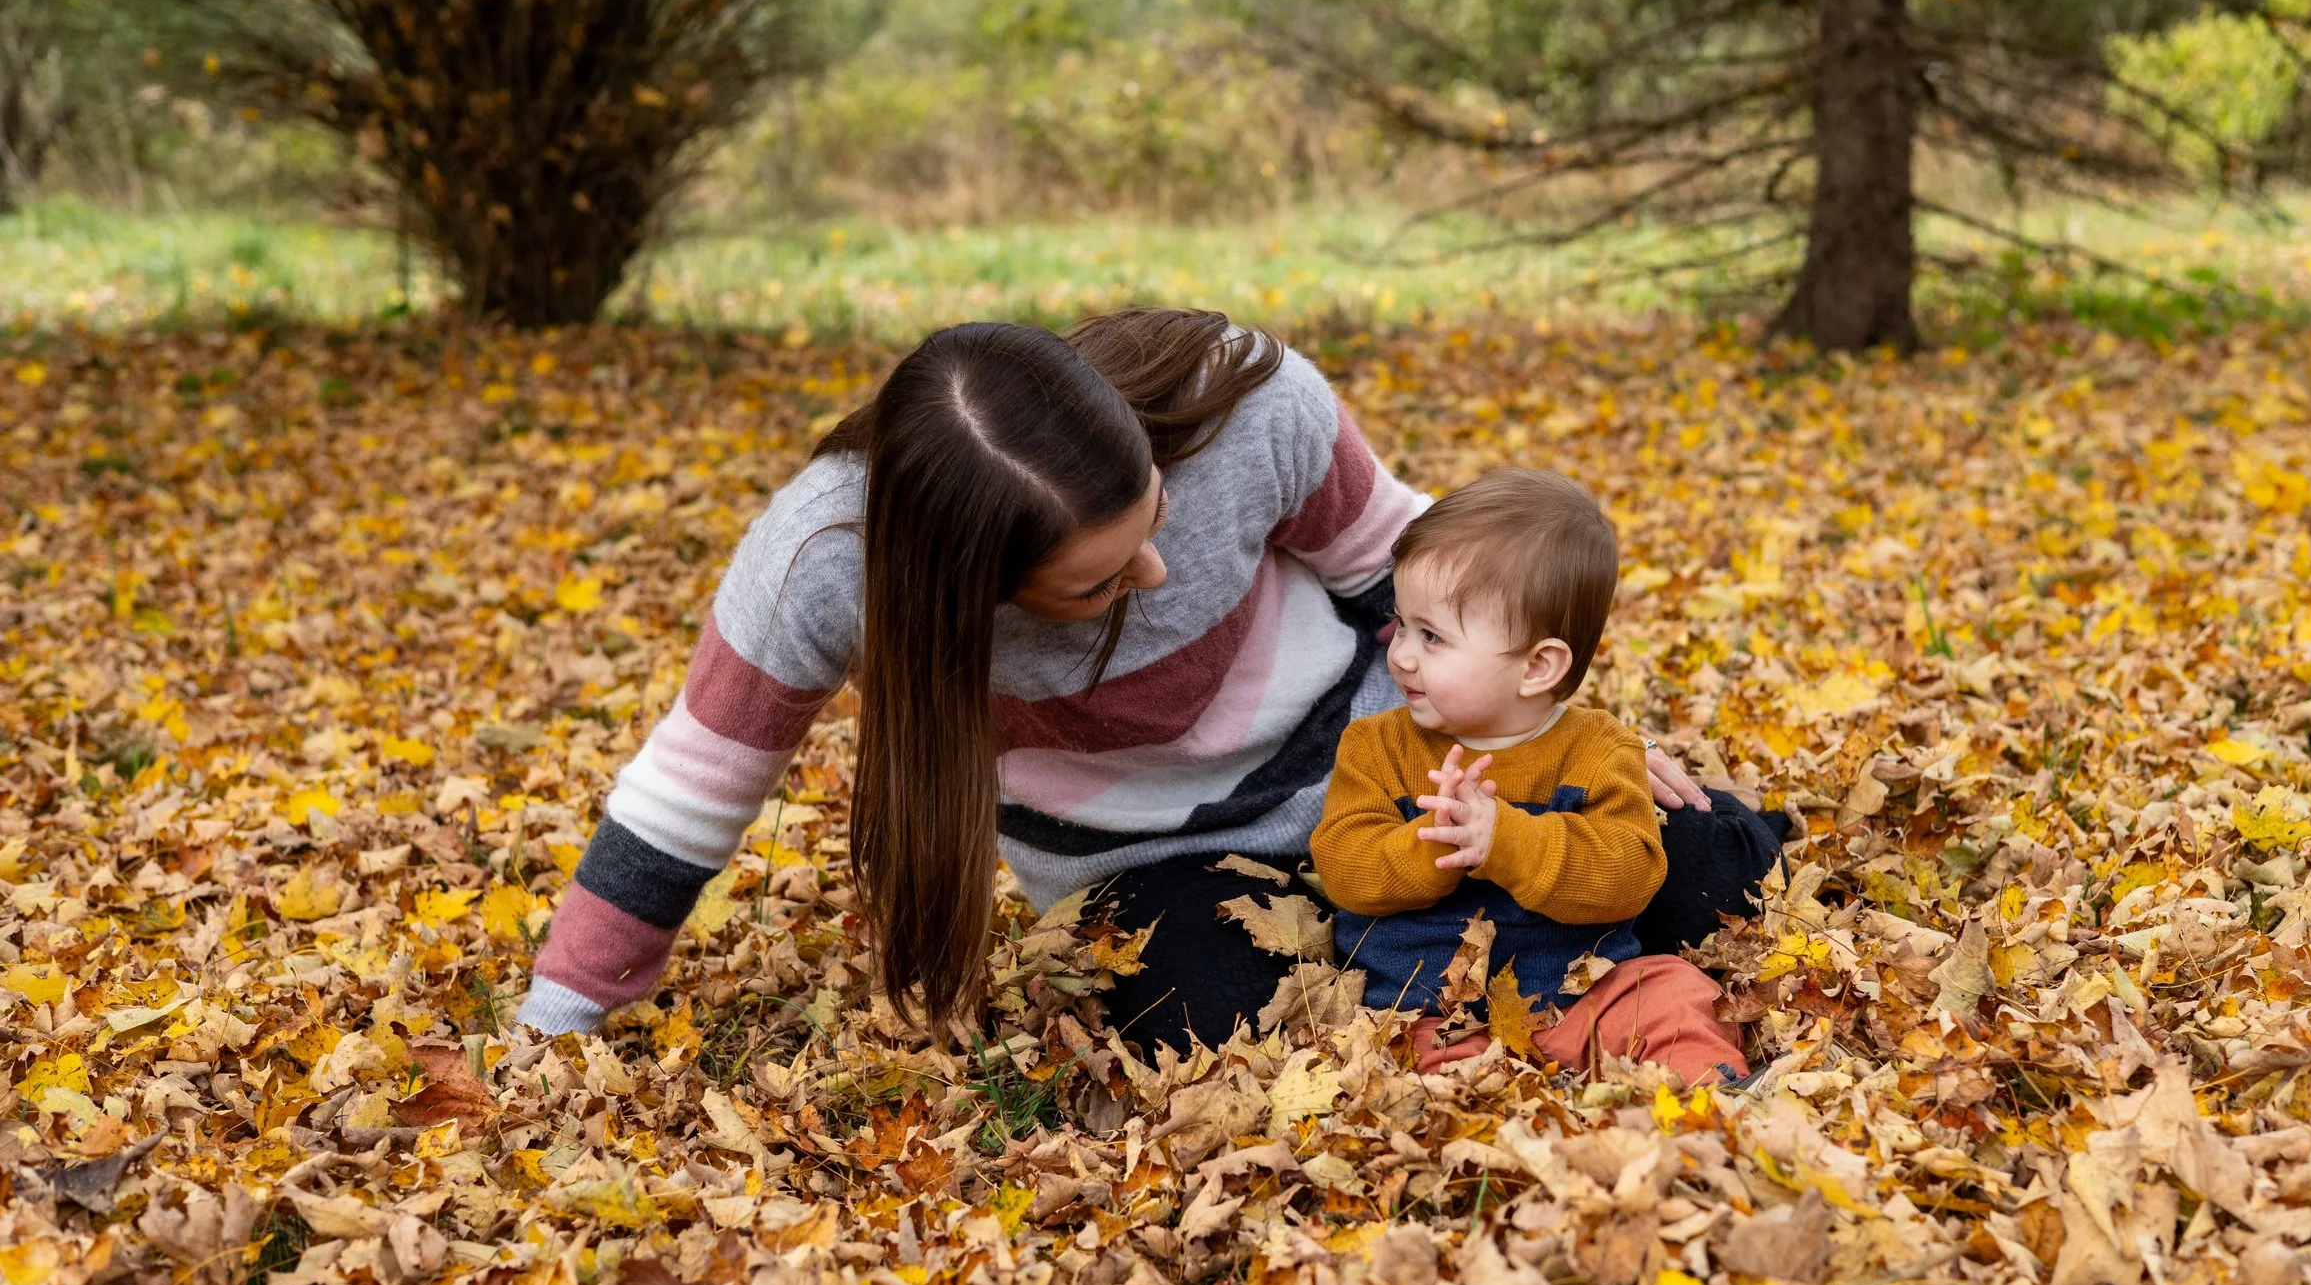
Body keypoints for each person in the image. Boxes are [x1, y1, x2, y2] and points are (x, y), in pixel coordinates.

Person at [513, 310, 1783, 1050]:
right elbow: (687, 791)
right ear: (977, 587)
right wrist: (556, 1021)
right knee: (1202, 1015)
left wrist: (1555, 746)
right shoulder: (825, 567)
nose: (1162, 567)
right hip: (1149, 868)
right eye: (1099, 580)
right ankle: (1400, 972)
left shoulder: (1252, 405)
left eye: (1157, 514)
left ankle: (1464, 945)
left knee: (1705, 871)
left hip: (1404, 791)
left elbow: (1414, 578)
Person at [1311, 468, 1748, 1084]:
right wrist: (1432, 843)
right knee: (1411, 1060)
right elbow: (1344, 866)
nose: (1402, 654)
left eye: (1432, 637)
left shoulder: (1598, 749)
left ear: (1538, 666)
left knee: (1674, 992)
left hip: (1582, 997)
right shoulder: (1377, 747)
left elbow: (1629, 873)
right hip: (1434, 1009)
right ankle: (1488, 1121)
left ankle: (1708, 1103)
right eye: (1402, 624)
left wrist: (1509, 842)